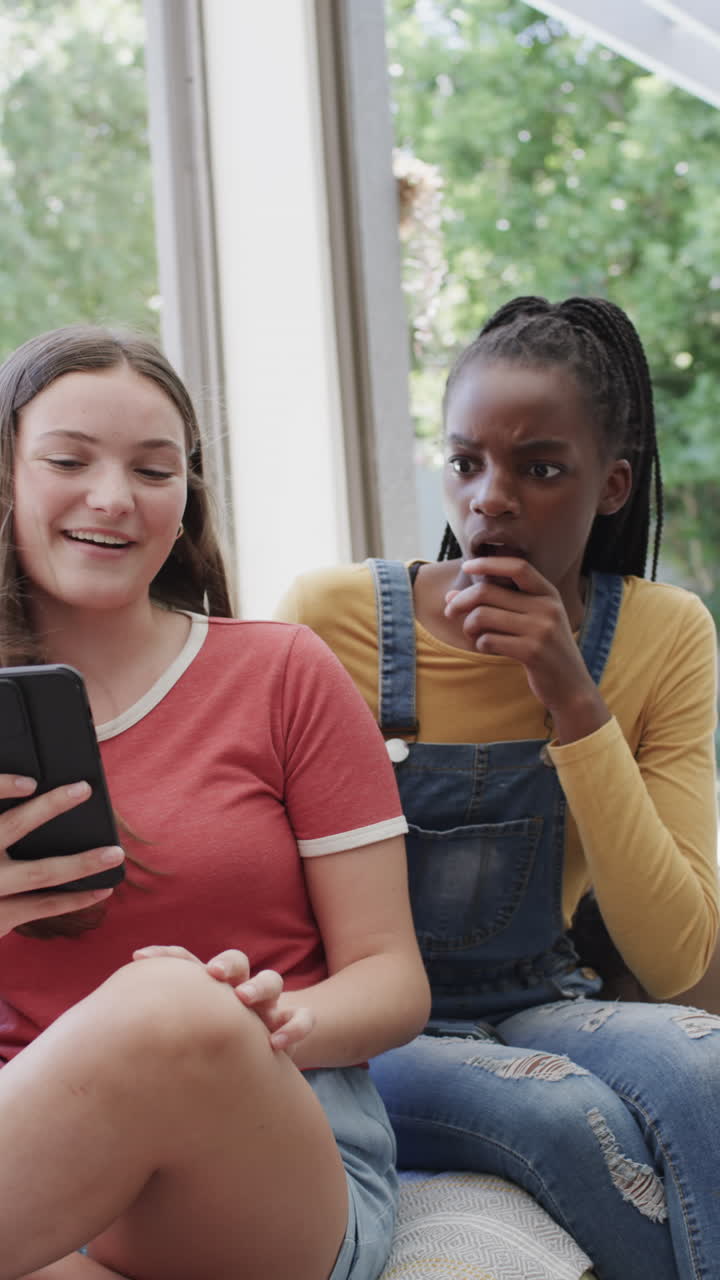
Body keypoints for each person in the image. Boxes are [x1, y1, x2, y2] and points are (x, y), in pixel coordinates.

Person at [276, 295, 720, 1280]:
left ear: (611, 485)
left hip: (541, 1001)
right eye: (466, 461)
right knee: (565, 1111)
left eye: (539, 468)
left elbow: (678, 954)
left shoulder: (666, 634)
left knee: (704, 1060)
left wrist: (573, 696)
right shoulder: (332, 615)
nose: (490, 499)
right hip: (376, 1030)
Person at [0, 325, 431, 1280]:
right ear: (6, 477)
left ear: (185, 496)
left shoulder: (282, 673)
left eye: (154, 471)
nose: (112, 498)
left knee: (170, 1008)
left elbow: (394, 978)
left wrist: (263, 1021)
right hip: (34, 1187)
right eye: (69, 460)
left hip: (270, 1160)